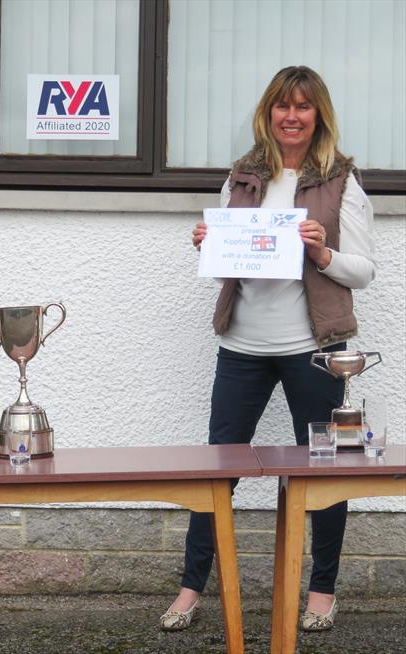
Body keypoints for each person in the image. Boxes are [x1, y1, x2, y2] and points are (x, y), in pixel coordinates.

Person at [160, 66, 375, 633]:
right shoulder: (241, 176)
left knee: (327, 470)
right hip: (243, 346)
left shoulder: (342, 181)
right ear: (268, 113)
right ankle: (190, 588)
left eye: (303, 107)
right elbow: (230, 266)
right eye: (282, 106)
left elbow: (364, 271)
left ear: (318, 115)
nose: (292, 116)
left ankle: (322, 592)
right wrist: (209, 246)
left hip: (315, 348)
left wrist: (325, 253)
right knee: (218, 469)